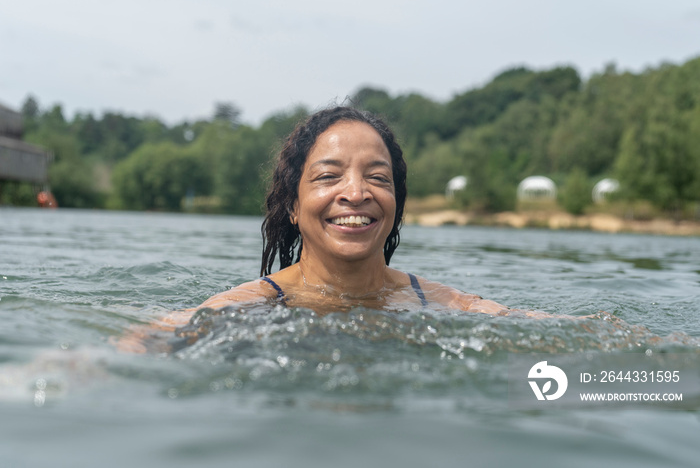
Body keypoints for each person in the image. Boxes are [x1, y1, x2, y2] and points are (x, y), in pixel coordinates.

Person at [116, 106, 531, 353]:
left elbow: (542, 331)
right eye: (329, 176)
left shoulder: (440, 302)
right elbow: (146, 341)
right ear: (293, 207)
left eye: (378, 178)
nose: (356, 192)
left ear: (396, 206)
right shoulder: (253, 303)